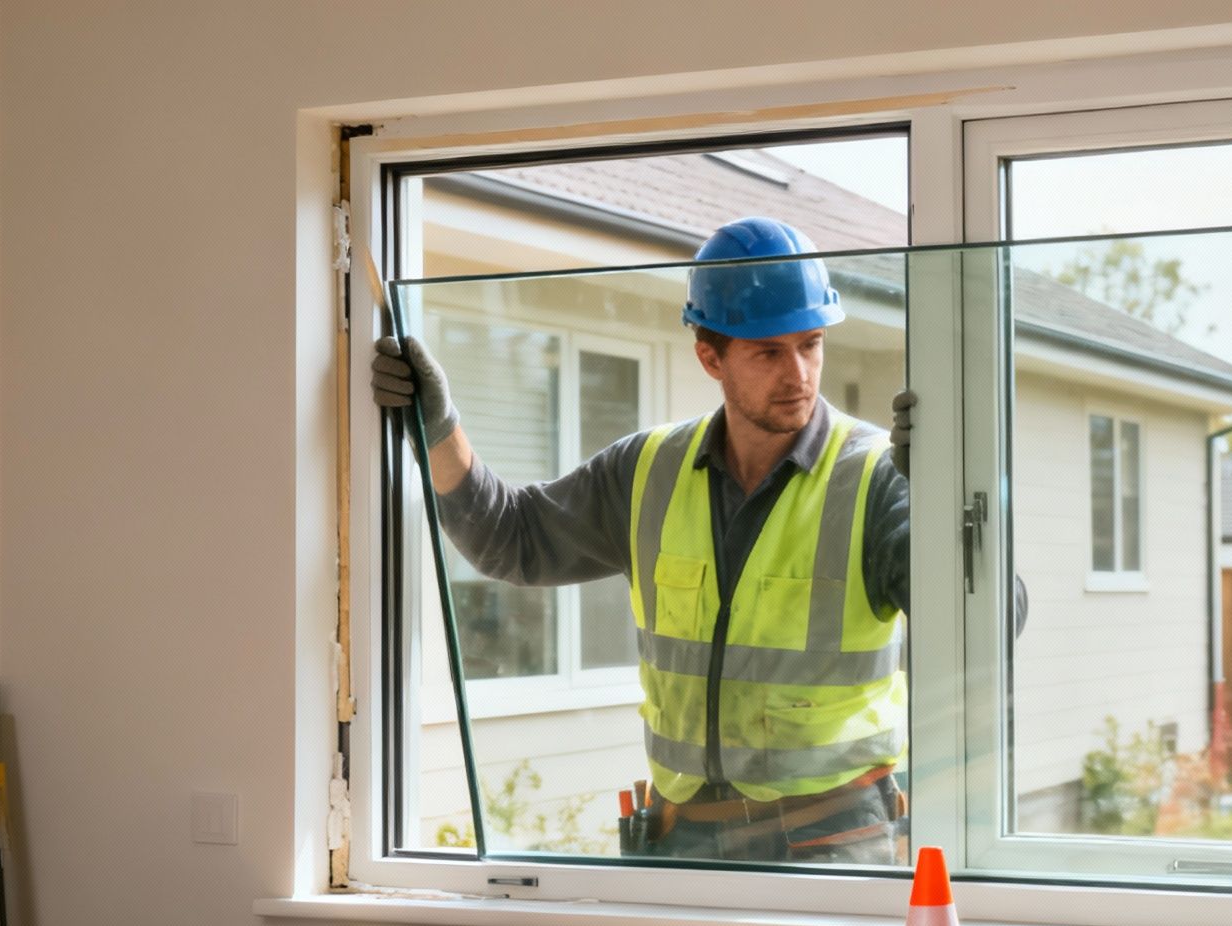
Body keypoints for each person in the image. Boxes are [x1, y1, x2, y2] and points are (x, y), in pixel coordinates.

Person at [372, 217, 914, 865]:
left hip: (830, 836)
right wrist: (437, 425)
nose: (798, 372)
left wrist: (944, 494)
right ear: (710, 356)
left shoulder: (879, 476)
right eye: (768, 352)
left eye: (811, 344)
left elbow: (988, 625)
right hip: (682, 836)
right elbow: (510, 539)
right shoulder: (647, 471)